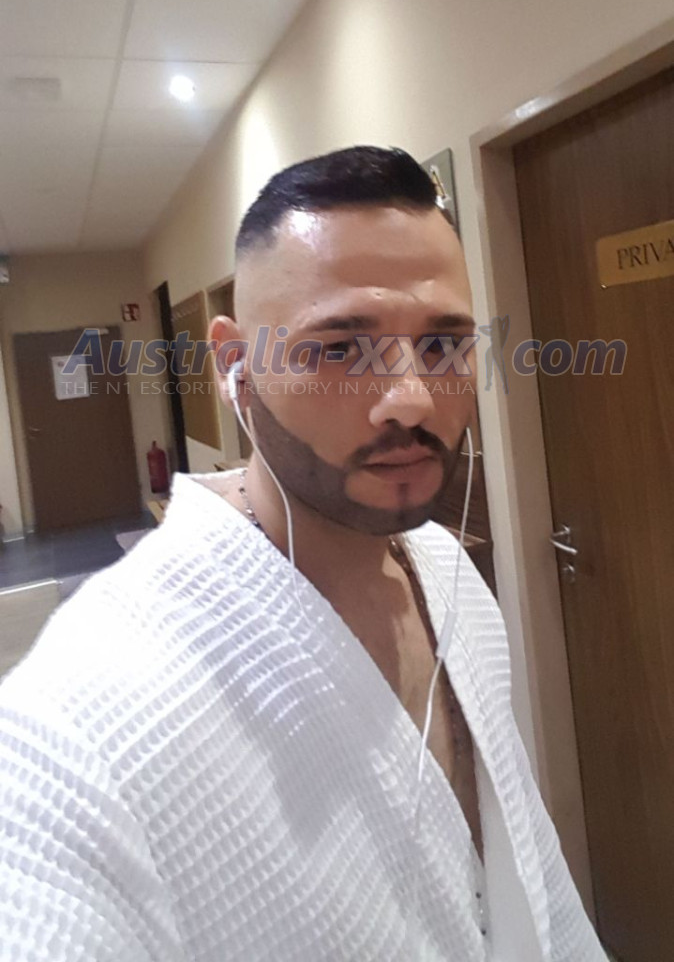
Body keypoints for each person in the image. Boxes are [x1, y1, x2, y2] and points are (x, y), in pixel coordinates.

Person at [0, 147, 605, 961]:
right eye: (340, 348)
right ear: (235, 367)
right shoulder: (79, 722)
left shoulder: (452, 575)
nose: (411, 398)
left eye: (443, 344)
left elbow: (530, 874)